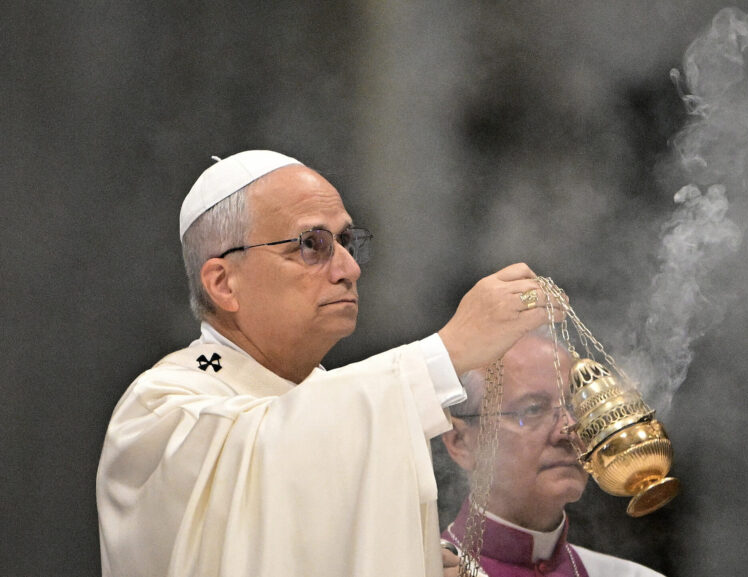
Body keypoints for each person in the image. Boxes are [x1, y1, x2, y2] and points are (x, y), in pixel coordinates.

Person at [95, 150, 558, 577]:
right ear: (223, 283)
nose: (349, 269)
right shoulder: (161, 409)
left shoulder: (335, 409)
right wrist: (445, 354)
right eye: (311, 245)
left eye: (345, 241)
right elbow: (261, 457)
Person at [440, 333, 665, 577]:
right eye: (533, 409)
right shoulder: (417, 568)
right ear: (460, 442)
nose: (567, 431)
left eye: (577, 407)